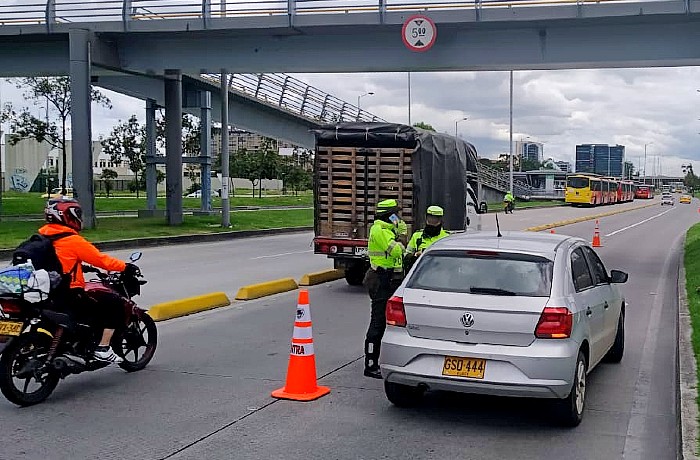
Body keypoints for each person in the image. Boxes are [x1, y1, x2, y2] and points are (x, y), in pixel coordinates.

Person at [39, 198, 138, 364]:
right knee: (115, 304)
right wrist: (125, 267)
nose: (80, 217)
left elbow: (58, 262)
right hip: (68, 293)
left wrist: (80, 267)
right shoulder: (72, 240)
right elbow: (102, 260)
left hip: (47, 291)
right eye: (77, 214)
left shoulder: (41, 236)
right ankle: (103, 348)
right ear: (67, 216)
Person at [363, 199, 406, 379]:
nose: (398, 217)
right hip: (380, 279)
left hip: (389, 279)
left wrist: (399, 231)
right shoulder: (380, 231)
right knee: (378, 322)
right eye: (395, 214)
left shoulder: (387, 229)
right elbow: (397, 250)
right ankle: (371, 363)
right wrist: (401, 235)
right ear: (389, 215)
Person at [404, 205, 450, 272]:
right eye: (430, 219)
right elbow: (406, 256)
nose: (431, 222)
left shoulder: (446, 238)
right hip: (421, 274)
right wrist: (415, 255)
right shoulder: (417, 236)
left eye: (435, 220)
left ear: (440, 220)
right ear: (426, 218)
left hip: (440, 273)